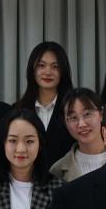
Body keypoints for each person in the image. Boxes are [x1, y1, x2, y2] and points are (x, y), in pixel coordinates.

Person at [14, 41, 75, 171]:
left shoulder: (74, 108)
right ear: (32, 70)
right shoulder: (16, 110)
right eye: (41, 65)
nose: (48, 72)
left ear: (63, 71)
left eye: (55, 66)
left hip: (67, 178)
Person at [48, 88, 106, 183]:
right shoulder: (57, 170)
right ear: (65, 123)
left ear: (101, 114)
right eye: (73, 118)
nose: (81, 124)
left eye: (87, 114)